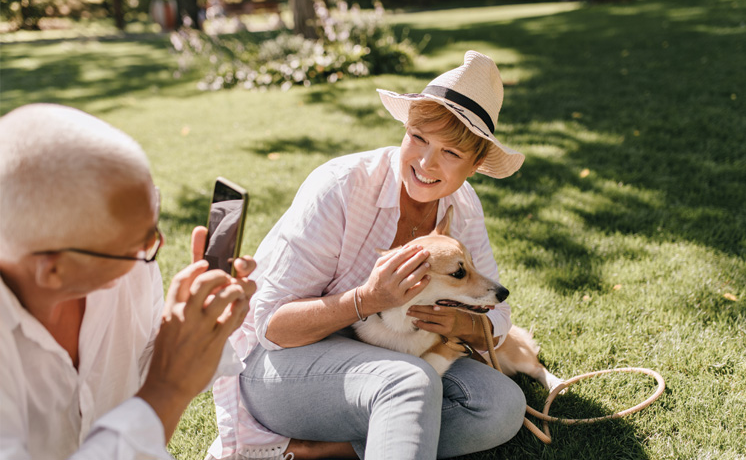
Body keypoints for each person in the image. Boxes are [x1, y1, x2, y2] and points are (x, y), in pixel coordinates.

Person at [208, 51, 527, 460]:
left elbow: (497, 317)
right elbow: (272, 328)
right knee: (411, 381)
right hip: (277, 369)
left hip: (385, 361)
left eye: (451, 153)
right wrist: (367, 300)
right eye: (418, 138)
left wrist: (460, 321)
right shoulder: (340, 186)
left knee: (500, 406)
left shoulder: (461, 207)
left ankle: (312, 453)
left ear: (476, 163)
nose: (426, 163)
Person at [0, 104, 256, 460]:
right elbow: (156, 397)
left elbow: (145, 390)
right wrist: (167, 389)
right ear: (53, 270)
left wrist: (190, 331)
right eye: (137, 242)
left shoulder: (129, 270)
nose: (155, 246)